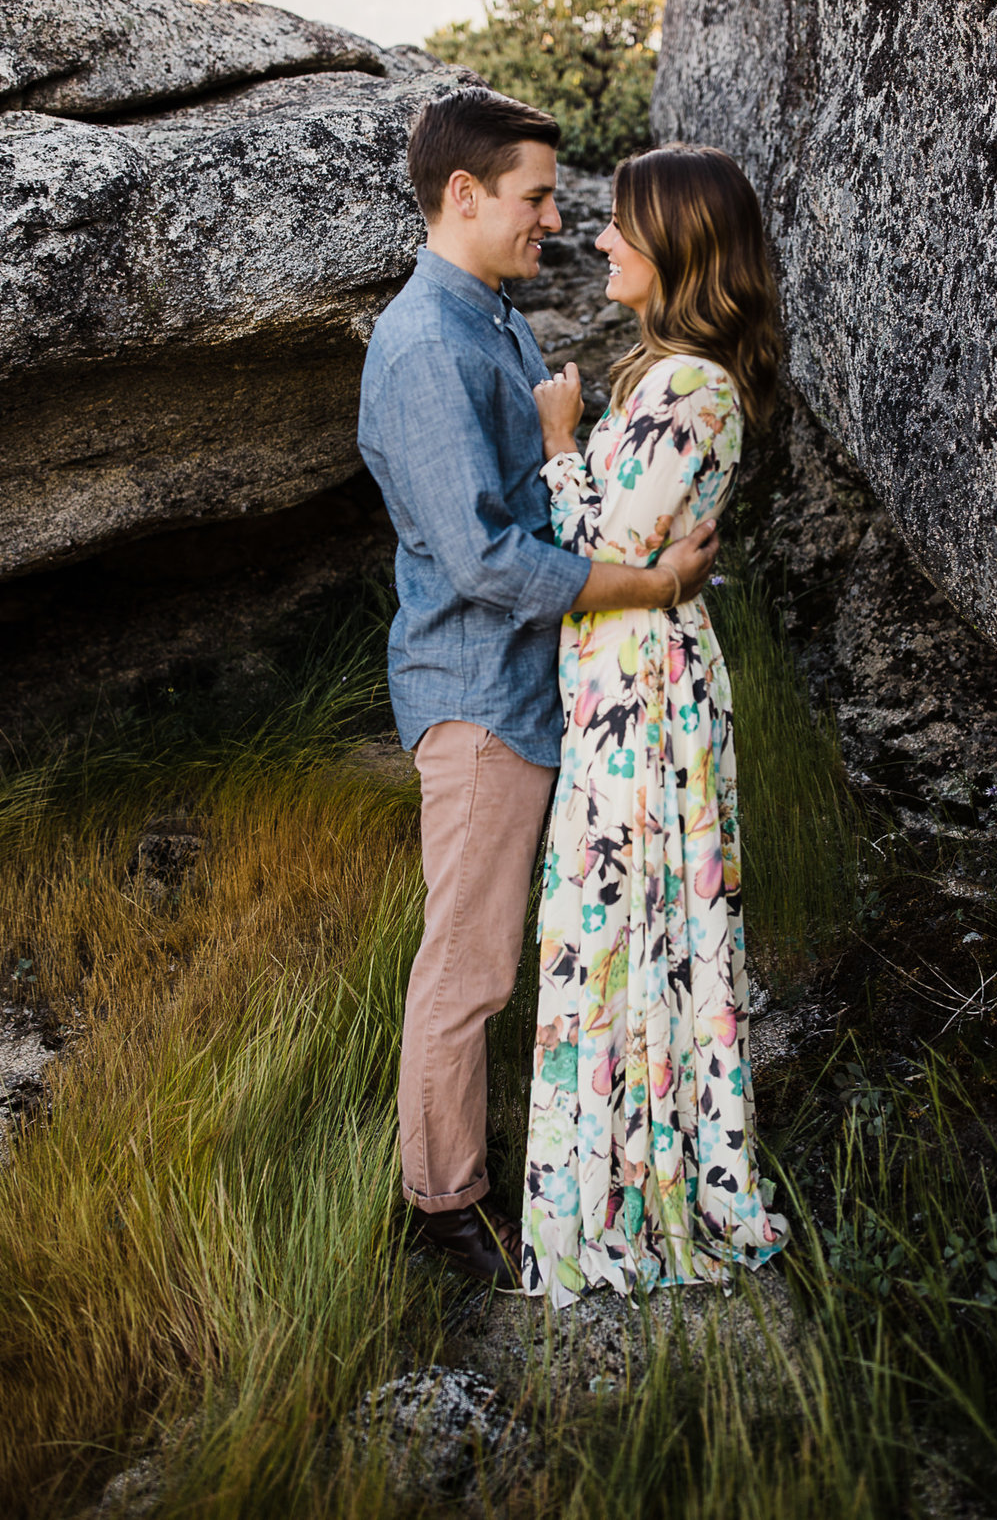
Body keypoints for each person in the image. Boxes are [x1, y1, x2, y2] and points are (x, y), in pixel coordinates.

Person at [355, 90, 716, 1288]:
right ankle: (443, 1208)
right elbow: (481, 559)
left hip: (535, 687)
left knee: (520, 957)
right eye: (535, 197)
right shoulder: (424, 344)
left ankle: (513, 1162)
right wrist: (647, 584)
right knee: (469, 969)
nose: (554, 221)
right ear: (463, 196)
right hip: (479, 699)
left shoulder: (491, 320)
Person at [521, 144, 790, 1304]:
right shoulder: (660, 375)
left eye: (621, 227)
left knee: (636, 937)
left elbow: (603, 555)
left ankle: (650, 1190)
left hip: (647, 696)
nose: (598, 240)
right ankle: (614, 1179)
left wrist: (554, 445)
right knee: (610, 936)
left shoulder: (697, 387)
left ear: (679, 243)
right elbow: (638, 562)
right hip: (616, 682)